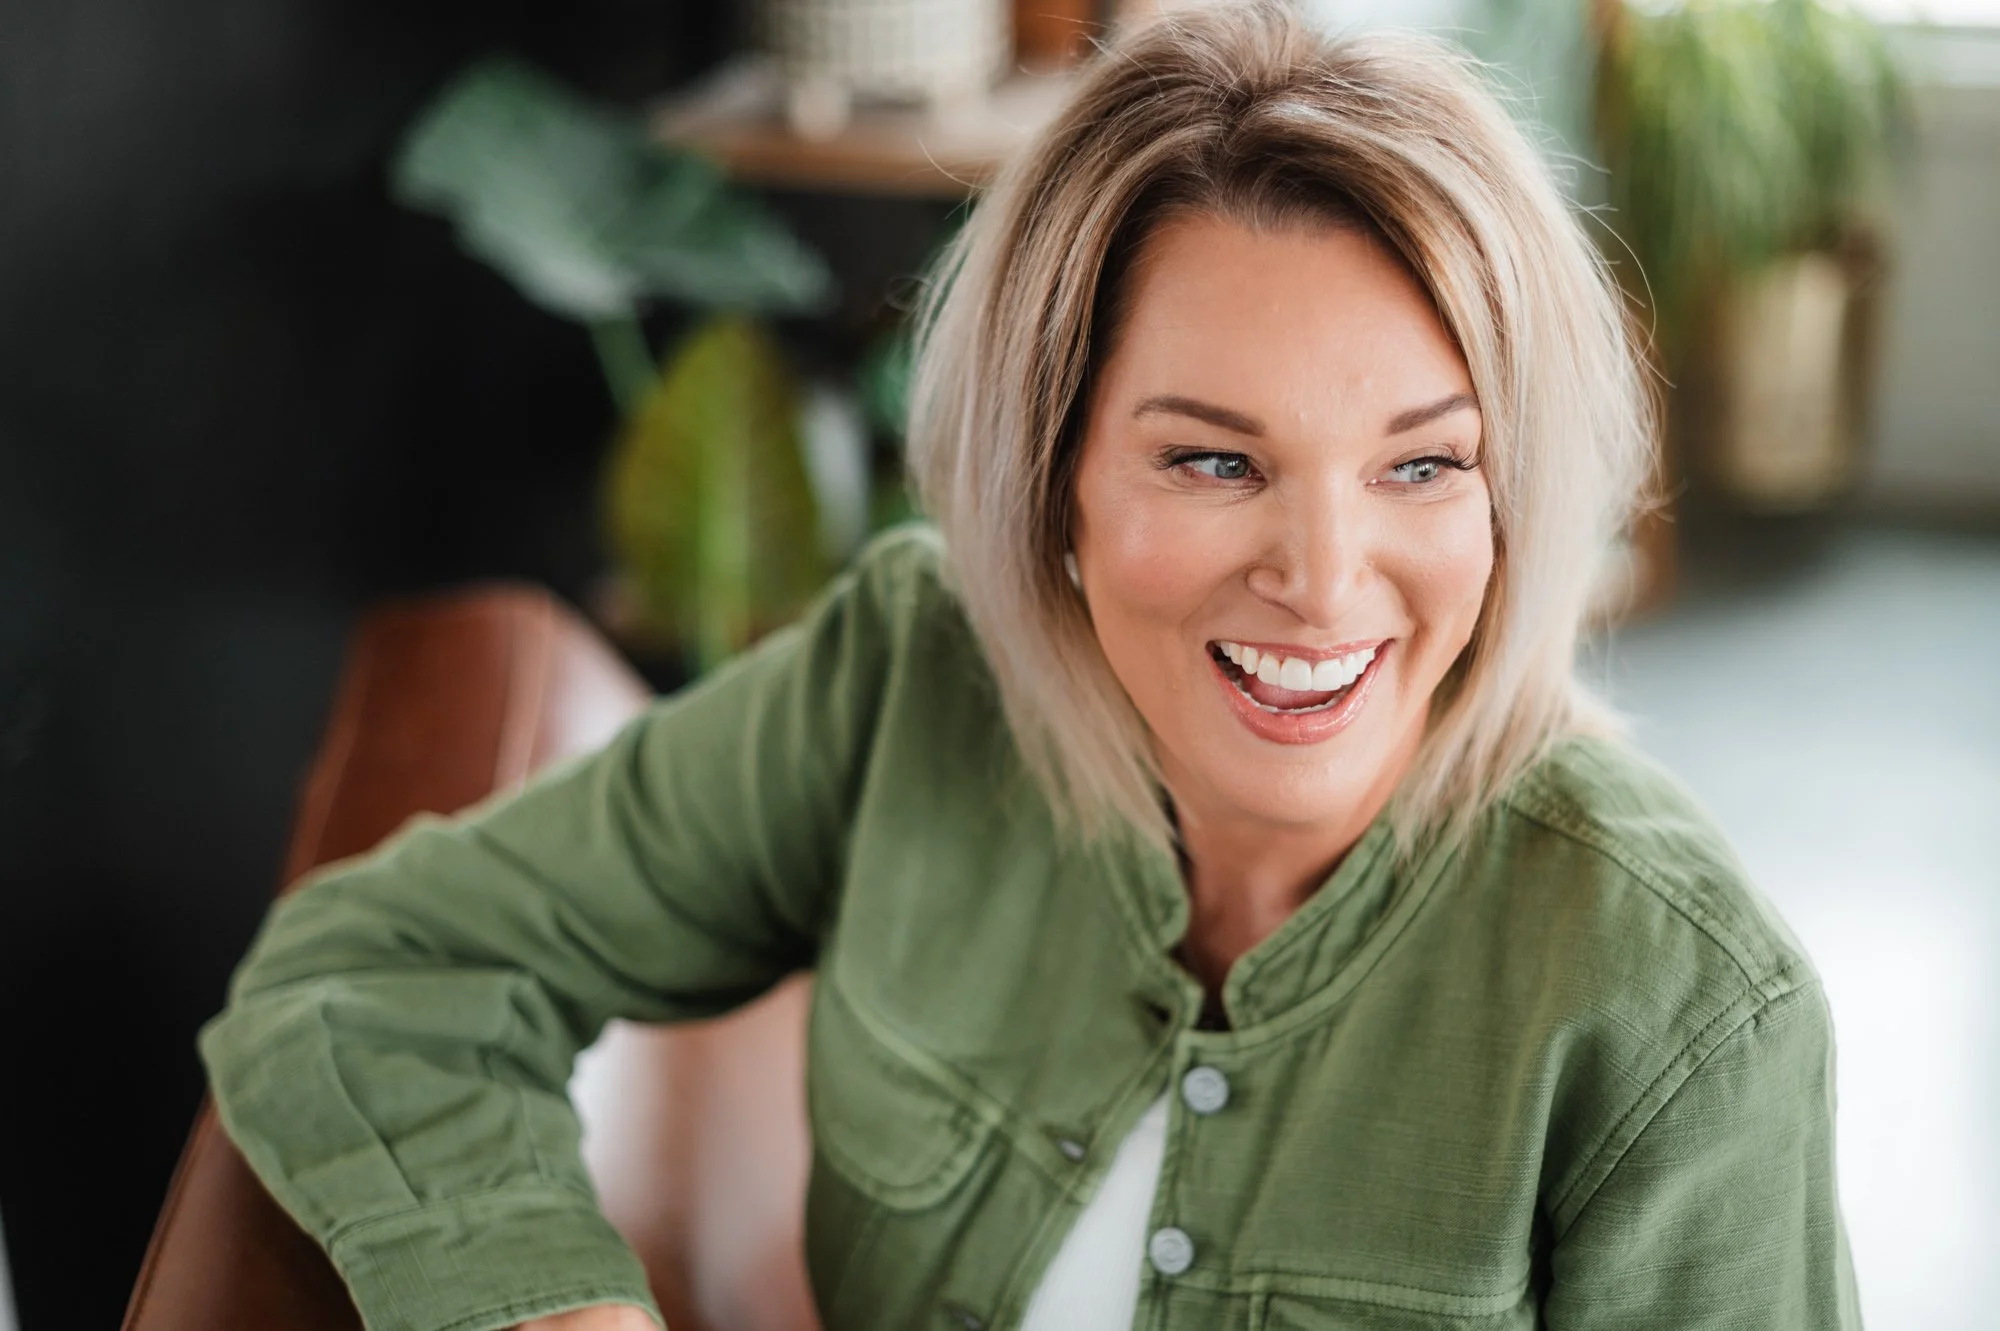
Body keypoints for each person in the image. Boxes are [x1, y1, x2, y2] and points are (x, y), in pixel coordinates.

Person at [200, 4, 1859, 1329]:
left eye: (1424, 464)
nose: (1324, 578)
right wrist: (545, 1303)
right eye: (1213, 461)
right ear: (1051, 473)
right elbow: (373, 971)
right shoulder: (905, 680)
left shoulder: (1686, 1012)